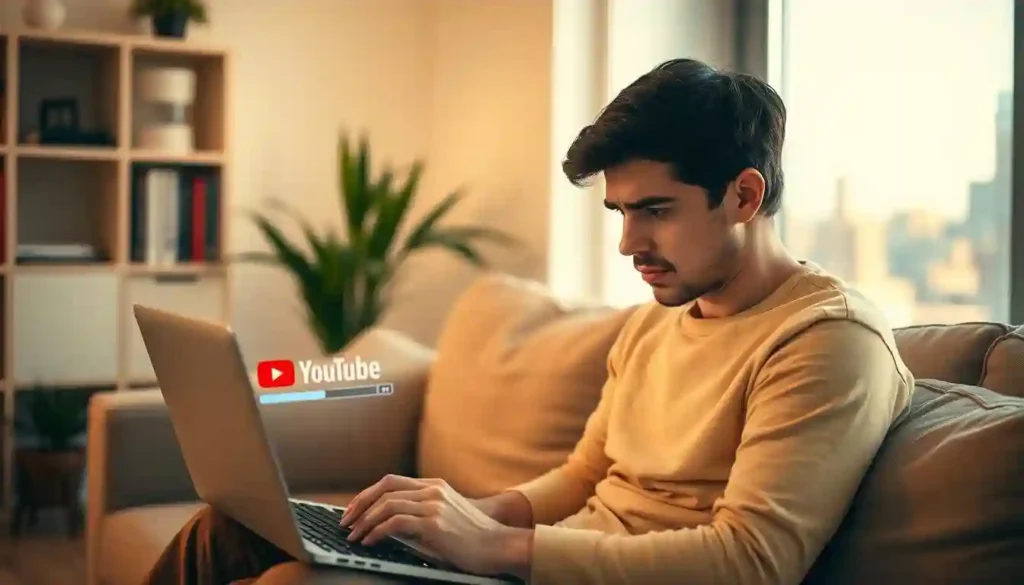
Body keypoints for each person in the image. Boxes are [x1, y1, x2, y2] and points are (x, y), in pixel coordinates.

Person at [144, 58, 913, 585]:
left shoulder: (826, 341)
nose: (628, 243)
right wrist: (454, 513)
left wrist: (500, 545)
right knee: (225, 529)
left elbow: (752, 560)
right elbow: (583, 476)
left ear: (745, 197)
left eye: (655, 211)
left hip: (558, 572)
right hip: (538, 562)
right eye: (619, 211)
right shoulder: (657, 321)